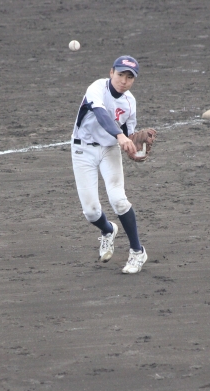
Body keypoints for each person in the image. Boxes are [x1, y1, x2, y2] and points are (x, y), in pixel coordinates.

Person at [70, 55, 149, 274]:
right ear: (111, 72)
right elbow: (101, 114)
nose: (124, 81)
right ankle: (108, 230)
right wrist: (120, 136)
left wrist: (135, 149)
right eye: (121, 74)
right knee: (91, 212)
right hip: (82, 149)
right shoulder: (97, 88)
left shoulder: (130, 102)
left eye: (129, 77)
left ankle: (137, 251)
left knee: (119, 200)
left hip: (109, 150)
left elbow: (128, 135)